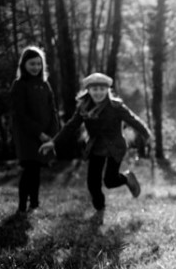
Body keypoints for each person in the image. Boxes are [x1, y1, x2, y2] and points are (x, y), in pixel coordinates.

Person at [40, 73, 151, 212]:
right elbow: (71, 126)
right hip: (96, 147)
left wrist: (146, 134)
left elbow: (133, 120)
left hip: (115, 146)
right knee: (93, 183)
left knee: (110, 181)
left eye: (102, 89)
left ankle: (127, 178)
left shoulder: (116, 106)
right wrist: (53, 142)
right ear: (89, 90)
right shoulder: (83, 107)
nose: (98, 92)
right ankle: (100, 208)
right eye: (95, 89)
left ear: (107, 90)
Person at [10, 46, 60, 213]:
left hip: (46, 134)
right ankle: (22, 205)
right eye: (32, 64)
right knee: (30, 168)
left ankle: (35, 203)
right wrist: (39, 133)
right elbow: (20, 114)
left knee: (37, 168)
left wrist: (53, 134)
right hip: (28, 135)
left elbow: (53, 110)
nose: (36, 67)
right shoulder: (19, 85)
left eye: (39, 64)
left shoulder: (45, 85)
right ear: (24, 64)